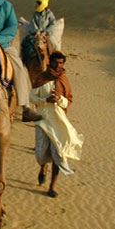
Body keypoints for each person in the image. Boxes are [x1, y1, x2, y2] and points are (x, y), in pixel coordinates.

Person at [30, 51, 84, 198]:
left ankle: (52, 187)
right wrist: (45, 100)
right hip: (42, 120)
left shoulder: (64, 80)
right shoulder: (41, 78)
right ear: (50, 62)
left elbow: (69, 101)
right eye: (55, 62)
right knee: (41, 154)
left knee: (59, 155)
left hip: (58, 122)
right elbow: (32, 97)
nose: (58, 65)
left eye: (61, 63)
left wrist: (60, 99)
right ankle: (43, 167)